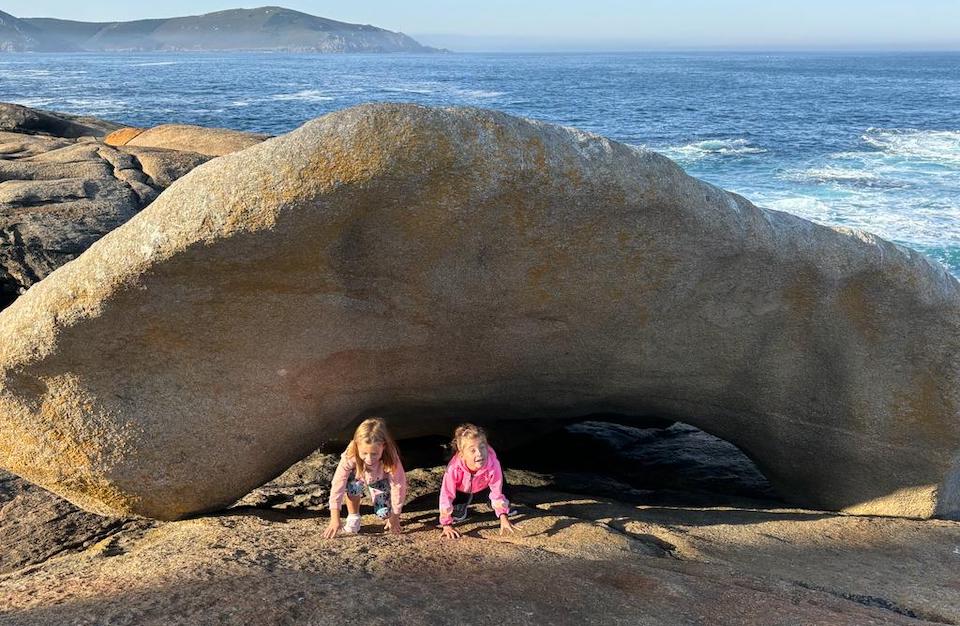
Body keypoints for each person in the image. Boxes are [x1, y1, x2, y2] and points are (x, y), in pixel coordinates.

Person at [323, 417, 407, 538]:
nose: (369, 459)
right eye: (364, 453)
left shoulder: (391, 457)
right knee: (353, 486)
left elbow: (398, 485)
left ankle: (388, 514)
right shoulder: (350, 454)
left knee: (383, 513)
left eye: (374, 454)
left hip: (379, 480)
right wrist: (335, 518)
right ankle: (353, 516)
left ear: (383, 446)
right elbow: (338, 483)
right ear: (357, 446)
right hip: (358, 476)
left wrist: (395, 515)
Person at [439, 423, 516, 539]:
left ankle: (495, 505)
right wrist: (446, 524)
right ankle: (462, 503)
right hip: (463, 488)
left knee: (504, 493)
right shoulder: (453, 468)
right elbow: (446, 495)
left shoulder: (493, 464)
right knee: (456, 506)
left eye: (482, 447)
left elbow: (496, 490)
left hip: (484, 486)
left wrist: (503, 516)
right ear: (461, 453)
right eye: (472, 450)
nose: (479, 453)